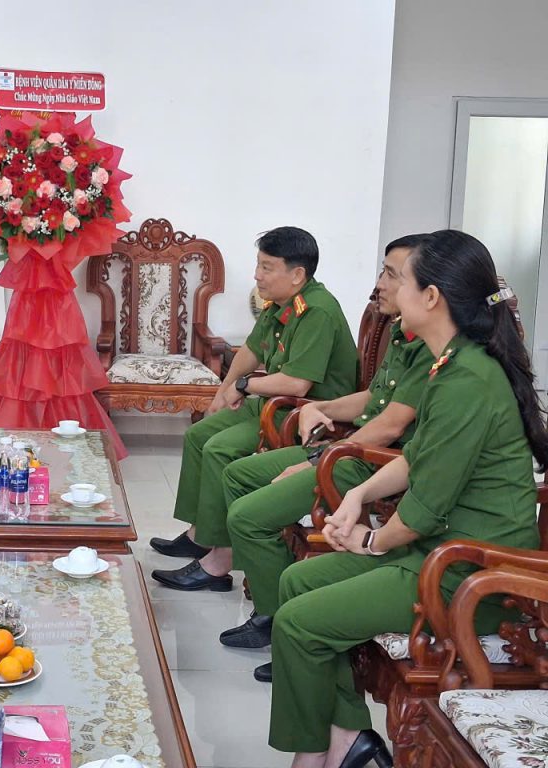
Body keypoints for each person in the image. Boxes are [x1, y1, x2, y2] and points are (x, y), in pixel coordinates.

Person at [268, 229, 546, 768]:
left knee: (299, 622)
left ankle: (315, 754)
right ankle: (346, 737)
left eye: (402, 279)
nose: (390, 289)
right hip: (437, 549)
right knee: (297, 580)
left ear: (432, 296)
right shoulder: (452, 364)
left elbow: (422, 512)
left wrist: (369, 541)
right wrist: (358, 496)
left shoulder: (468, 379)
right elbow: (416, 458)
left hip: (470, 570)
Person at [217, 235, 434, 682]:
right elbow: (374, 398)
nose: (378, 285)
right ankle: (268, 608)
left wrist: (320, 456)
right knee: (238, 476)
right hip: (352, 449)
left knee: (248, 515)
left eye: (391, 275)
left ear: (430, 292)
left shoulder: (437, 355)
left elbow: (391, 426)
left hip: (369, 461)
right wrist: (323, 409)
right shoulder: (403, 333)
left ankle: (278, 621)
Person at [150, 226, 358, 591]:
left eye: (266, 267)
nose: (257, 276)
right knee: (199, 434)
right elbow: (250, 350)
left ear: (297, 274)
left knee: (220, 449)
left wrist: (244, 386)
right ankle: (201, 535)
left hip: (303, 413)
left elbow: (297, 383)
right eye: (258, 265)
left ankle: (219, 562)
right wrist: (222, 392)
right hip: (273, 403)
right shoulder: (280, 302)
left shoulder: (317, 311)